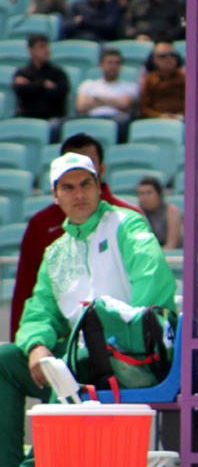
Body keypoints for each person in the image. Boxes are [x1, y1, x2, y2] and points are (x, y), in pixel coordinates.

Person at [0, 152, 176, 467]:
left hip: (135, 355)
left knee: (73, 351)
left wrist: (117, 332)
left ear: (98, 187)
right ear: (56, 196)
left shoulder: (127, 224)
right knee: (6, 359)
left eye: (86, 184)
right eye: (68, 187)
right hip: (81, 362)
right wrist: (35, 345)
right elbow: (39, 312)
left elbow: (153, 283)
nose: (78, 194)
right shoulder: (55, 252)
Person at [8, 134, 138, 341]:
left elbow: (146, 282)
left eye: (86, 164)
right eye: (69, 183)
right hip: (58, 338)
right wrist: (26, 342)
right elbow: (27, 289)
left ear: (100, 172)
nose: (76, 170)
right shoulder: (41, 224)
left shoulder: (128, 218)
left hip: (120, 339)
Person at [75, 47, 140, 135]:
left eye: (117, 63)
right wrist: (115, 102)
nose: (113, 66)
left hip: (117, 120)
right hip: (92, 118)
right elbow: (81, 106)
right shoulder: (88, 85)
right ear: (101, 65)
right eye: (110, 63)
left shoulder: (130, 87)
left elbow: (124, 104)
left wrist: (96, 98)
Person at [12, 33, 69, 126]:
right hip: (26, 116)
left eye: (47, 47)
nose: (47, 51)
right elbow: (19, 90)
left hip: (51, 118)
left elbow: (60, 94)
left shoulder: (58, 73)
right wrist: (43, 85)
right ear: (31, 51)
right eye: (41, 47)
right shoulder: (22, 72)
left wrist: (30, 86)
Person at [139, 41, 186, 120]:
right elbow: (144, 109)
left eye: (172, 55)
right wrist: (159, 116)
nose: (169, 59)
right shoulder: (150, 79)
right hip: (156, 121)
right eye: (163, 56)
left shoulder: (185, 78)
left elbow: (197, 105)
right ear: (154, 59)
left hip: (183, 121)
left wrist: (180, 116)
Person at [137, 176, 182, 250]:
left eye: (148, 193)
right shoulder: (137, 212)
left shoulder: (171, 211)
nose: (144, 197)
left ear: (159, 195)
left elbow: (172, 244)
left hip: (169, 255)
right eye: (141, 193)